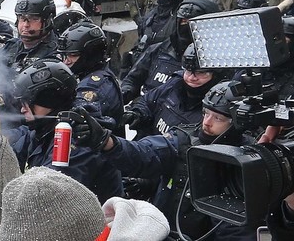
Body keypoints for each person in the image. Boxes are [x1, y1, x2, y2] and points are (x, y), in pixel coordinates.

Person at [66, 80, 256, 240]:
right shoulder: (183, 140)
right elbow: (145, 152)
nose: (206, 122)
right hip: (165, 231)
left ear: (237, 122)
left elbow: (239, 228)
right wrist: (106, 142)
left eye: (218, 118)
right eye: (206, 113)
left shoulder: (250, 159)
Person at [7, 59, 122, 202]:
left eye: (27, 102)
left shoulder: (75, 137)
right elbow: (16, 148)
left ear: (49, 100)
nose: (23, 109)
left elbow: (48, 192)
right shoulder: (45, 126)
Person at [122, 0, 218, 103]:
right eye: (183, 21)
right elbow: (133, 79)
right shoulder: (157, 50)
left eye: (192, 23)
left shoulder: (218, 62)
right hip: (146, 108)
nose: (186, 26)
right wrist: (124, 95)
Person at [124, 43, 222, 140]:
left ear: (215, 75)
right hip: (146, 144)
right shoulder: (176, 83)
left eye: (200, 73)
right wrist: (138, 113)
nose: (192, 78)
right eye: (188, 71)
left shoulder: (218, 105)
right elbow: (147, 101)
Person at [59, 21, 123, 130]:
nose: (66, 62)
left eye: (73, 55)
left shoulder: (95, 85)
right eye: (65, 55)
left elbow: (80, 113)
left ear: (90, 55)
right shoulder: (96, 74)